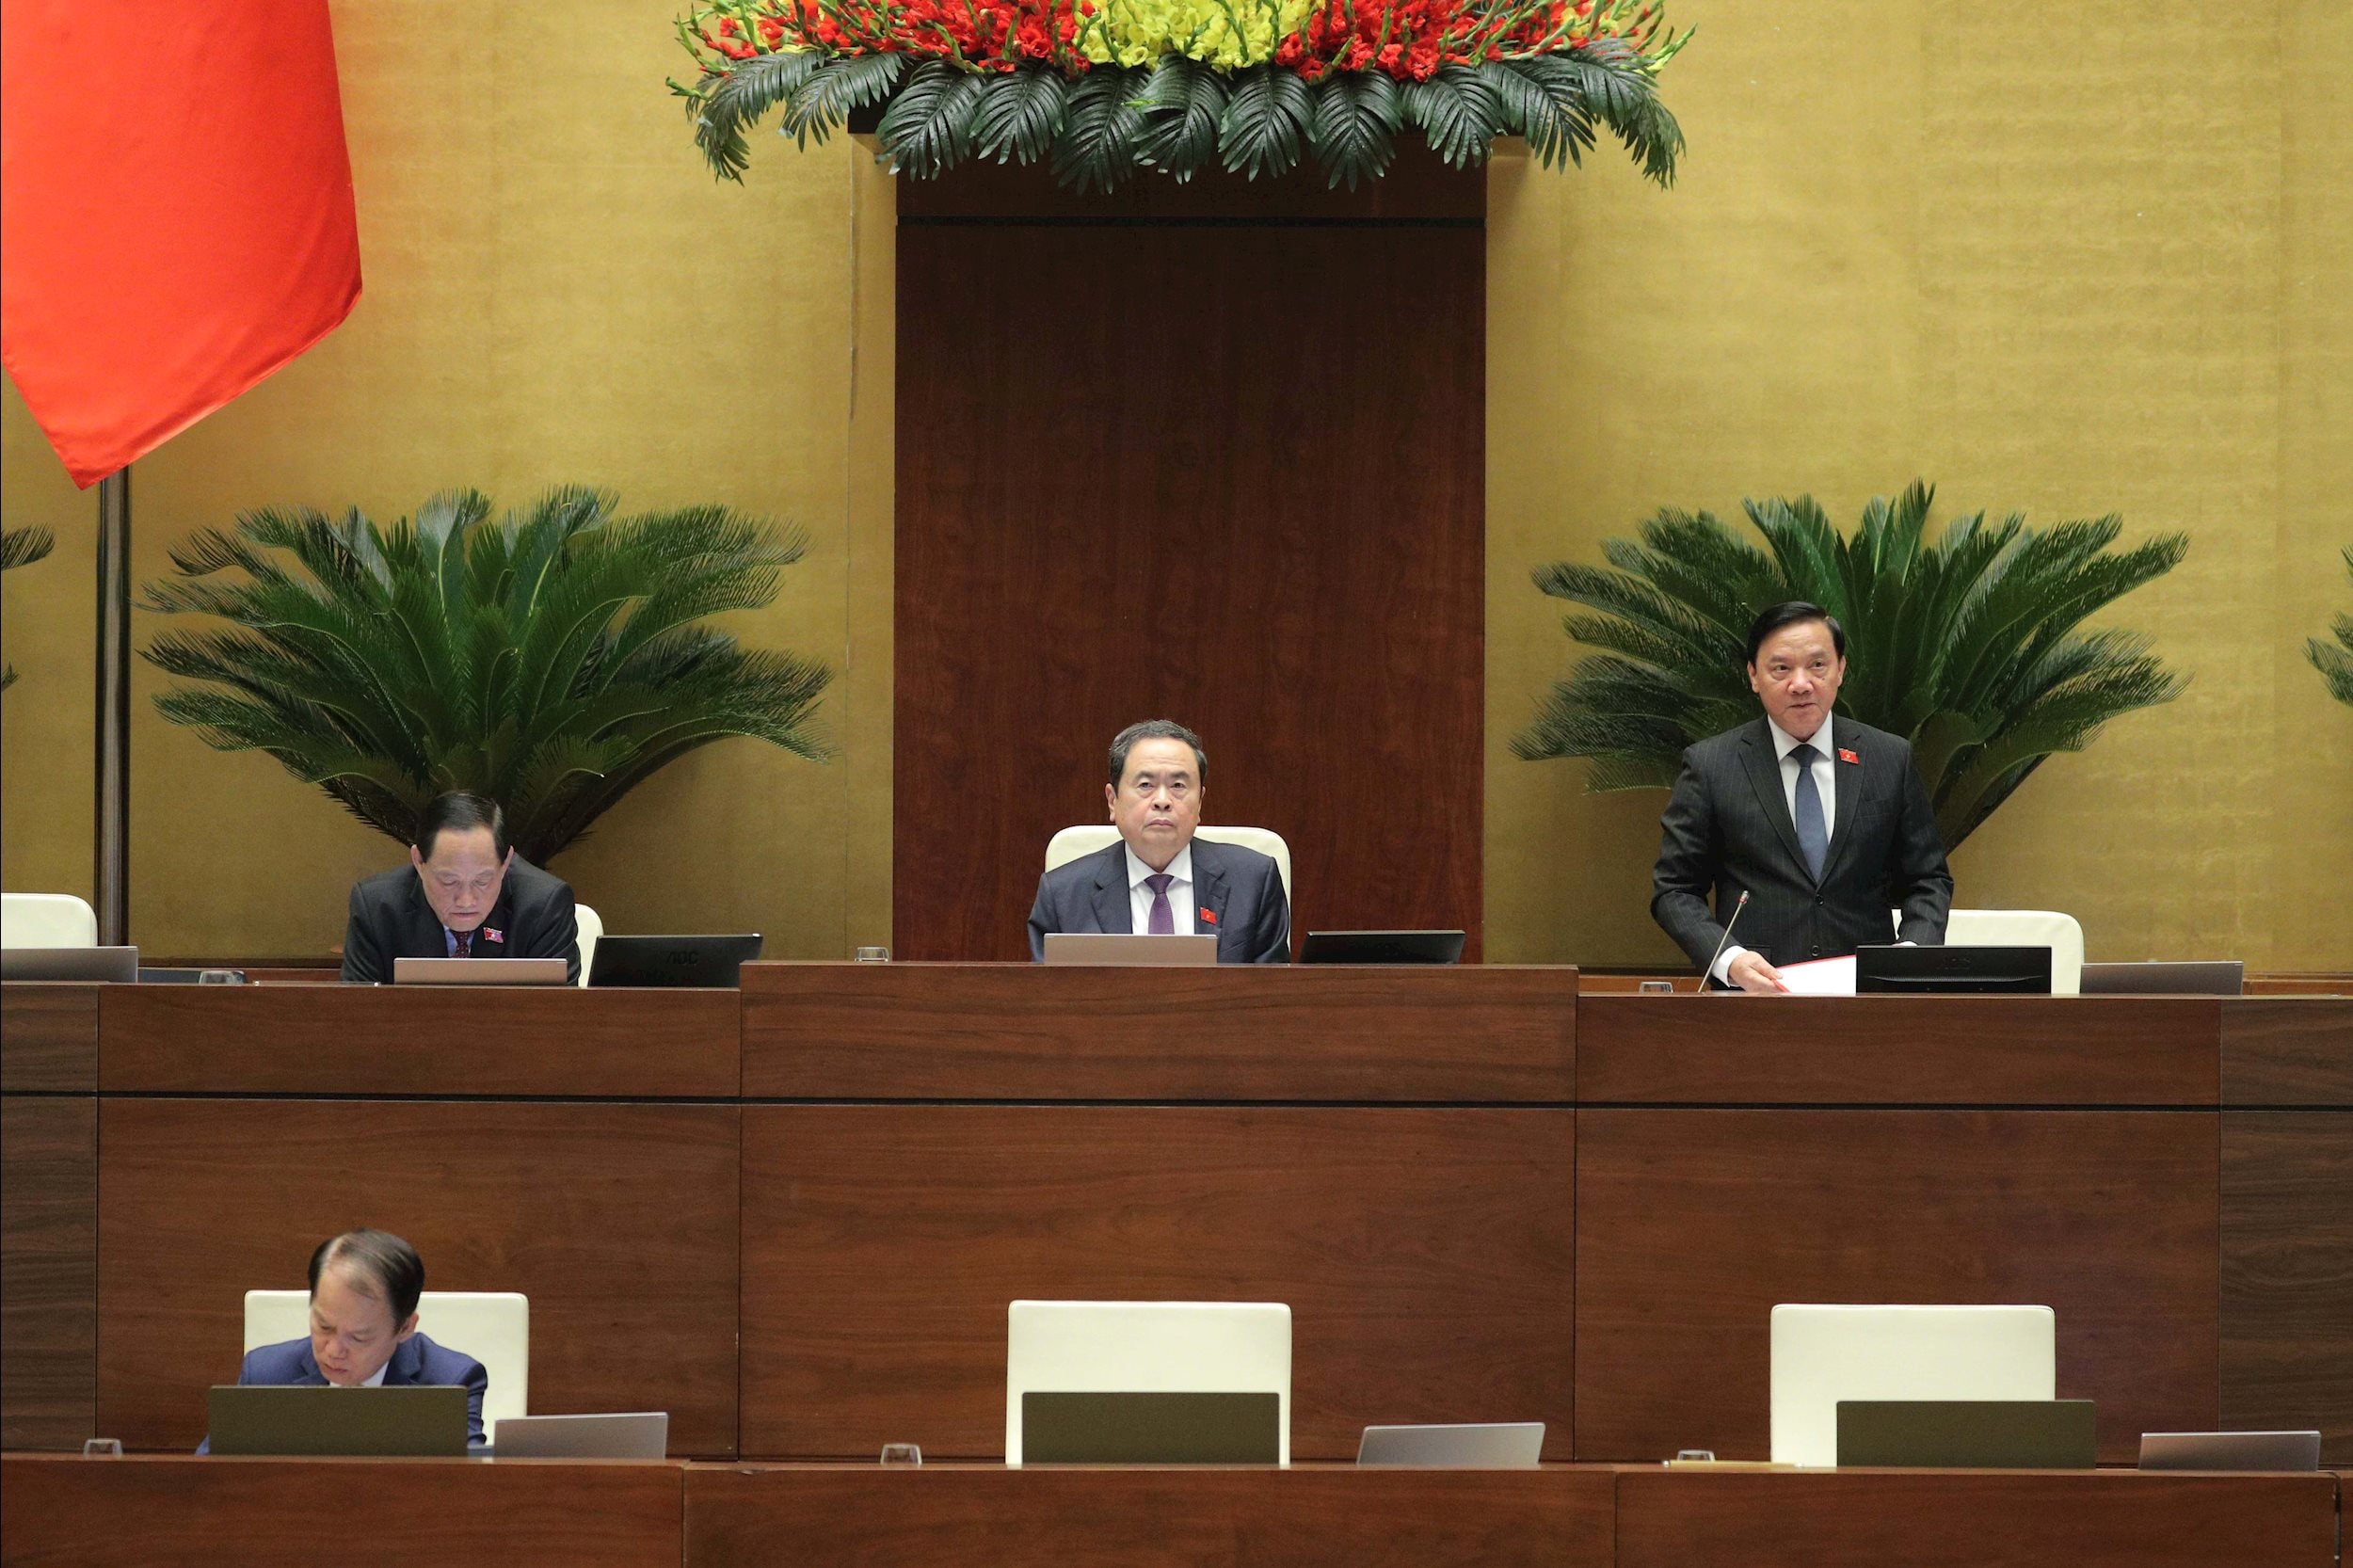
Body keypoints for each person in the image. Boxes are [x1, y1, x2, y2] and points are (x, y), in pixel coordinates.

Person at [1651, 601, 1952, 993]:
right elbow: (1675, 889)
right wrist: (1729, 960)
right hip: (1757, 994)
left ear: (1840, 669)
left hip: (1869, 994)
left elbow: (1928, 879)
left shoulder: (1889, 758)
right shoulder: (1712, 765)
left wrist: (1912, 954)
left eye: (1817, 665)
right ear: (1753, 675)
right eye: (1781, 668)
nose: (1801, 683)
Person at [199, 1228, 488, 1451]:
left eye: (358, 1338)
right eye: (324, 1326)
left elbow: (468, 1484)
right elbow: (211, 1476)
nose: (334, 1350)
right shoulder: (266, 1374)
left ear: (405, 1328)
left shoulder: (451, 1381)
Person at [1028, 720, 1290, 964]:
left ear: (1200, 802)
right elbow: (1048, 995)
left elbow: (1274, 992)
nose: (1162, 800)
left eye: (1178, 785)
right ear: (1112, 800)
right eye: (1145, 785)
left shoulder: (1254, 882)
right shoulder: (1063, 895)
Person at [341, 791, 581, 983]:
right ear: (419, 861)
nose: (466, 900)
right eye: (449, 881)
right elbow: (356, 1015)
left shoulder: (543, 906)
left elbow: (559, 1016)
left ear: (506, 862)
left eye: (482, 881)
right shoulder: (377, 909)